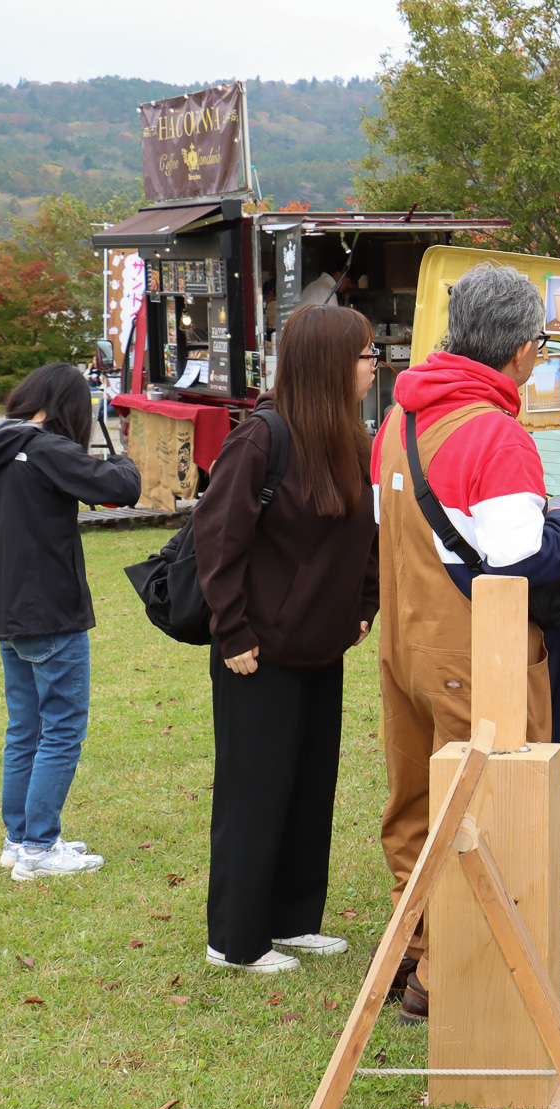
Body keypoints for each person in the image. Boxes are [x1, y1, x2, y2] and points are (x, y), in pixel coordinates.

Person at [370, 261, 560, 1022]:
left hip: (405, 642)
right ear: (523, 350)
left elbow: (381, 528)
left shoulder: (401, 418)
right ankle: (445, 971)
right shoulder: (495, 434)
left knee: (414, 802)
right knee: (483, 808)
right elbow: (521, 557)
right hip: (474, 654)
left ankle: (408, 942)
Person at [193, 304, 381, 975]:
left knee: (308, 786)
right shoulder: (261, 439)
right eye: (362, 354)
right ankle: (236, 940)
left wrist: (365, 604)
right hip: (258, 654)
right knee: (255, 790)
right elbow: (218, 543)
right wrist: (233, 630)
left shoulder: (354, 441)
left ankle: (294, 919)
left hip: (321, 648)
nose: (373, 364)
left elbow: (366, 539)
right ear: (326, 363)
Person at [0, 363, 142, 880]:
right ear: (69, 406)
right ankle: (40, 849)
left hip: (6, 604)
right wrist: (125, 458)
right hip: (48, 607)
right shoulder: (45, 447)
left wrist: (10, 507)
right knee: (62, 728)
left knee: (26, 728)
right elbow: (121, 486)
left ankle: (19, 839)